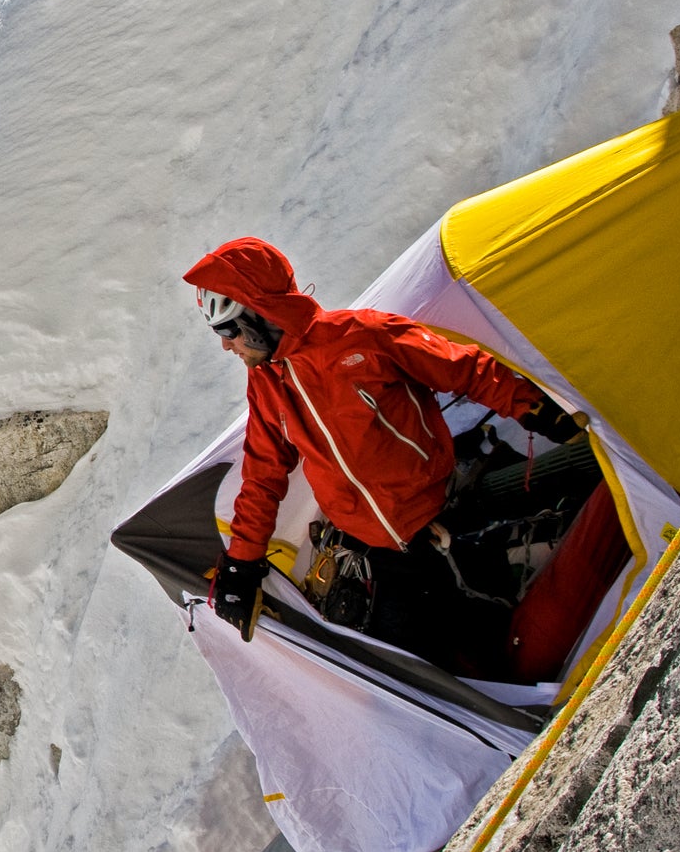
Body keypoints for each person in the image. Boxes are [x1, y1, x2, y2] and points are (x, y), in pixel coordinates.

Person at [183, 237, 581, 643]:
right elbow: (263, 477)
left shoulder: (360, 337)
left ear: (260, 314)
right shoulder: (266, 385)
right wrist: (241, 565)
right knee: (425, 666)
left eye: (229, 330)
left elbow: (462, 369)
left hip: (448, 515)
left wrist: (531, 406)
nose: (225, 345)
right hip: (378, 557)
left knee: (508, 636)